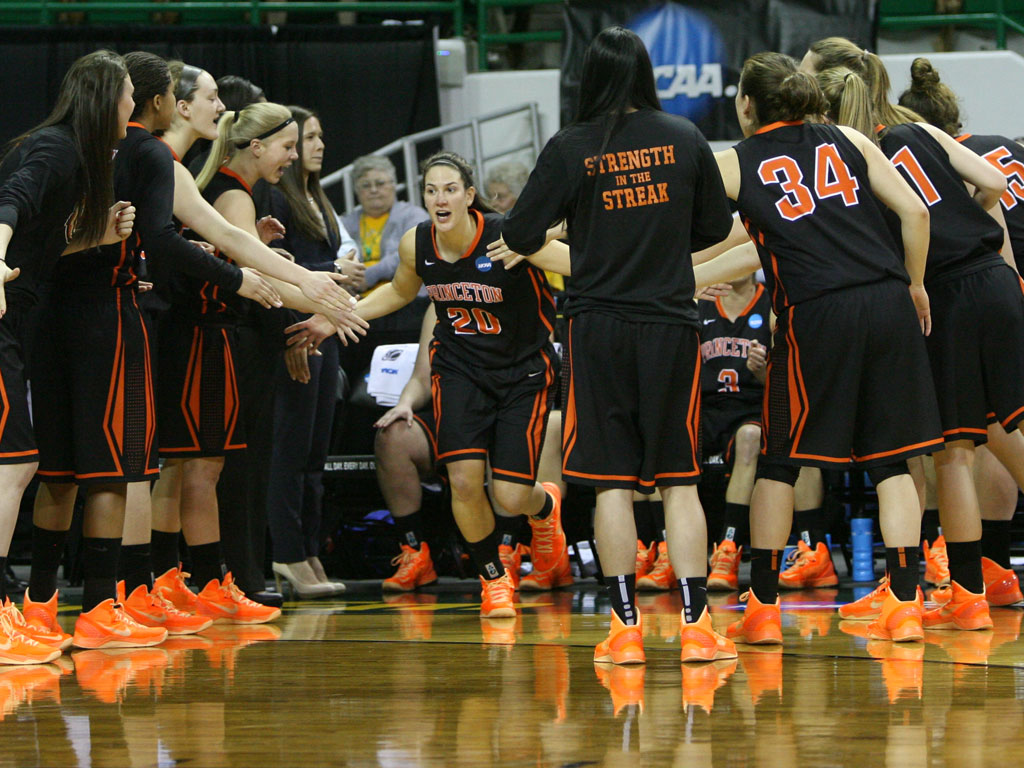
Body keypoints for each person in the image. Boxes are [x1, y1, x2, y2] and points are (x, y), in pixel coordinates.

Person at [500, 26, 738, 665]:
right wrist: (659, 236)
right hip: (670, 325)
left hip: (596, 328)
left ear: (591, 77)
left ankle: (625, 629)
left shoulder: (570, 145)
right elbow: (716, 226)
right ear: (645, 73)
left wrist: (586, 231)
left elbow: (518, 233)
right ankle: (697, 627)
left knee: (609, 483)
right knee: (679, 479)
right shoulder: (685, 136)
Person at [692, 51, 942, 644]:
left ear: (747, 104)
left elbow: (684, 227)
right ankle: (905, 603)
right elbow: (914, 210)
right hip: (887, 301)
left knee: (781, 459)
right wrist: (915, 283)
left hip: (818, 312)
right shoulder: (848, 139)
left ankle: (762, 606)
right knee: (891, 459)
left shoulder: (734, 161)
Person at [811, 51, 1023, 631]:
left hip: (944, 294)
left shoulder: (848, 164)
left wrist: (917, 275)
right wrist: (966, 220)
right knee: (1011, 428)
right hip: (996, 279)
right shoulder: (918, 130)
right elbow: (995, 182)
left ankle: (968, 596)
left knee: (953, 454)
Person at [354, 151, 571, 618]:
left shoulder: (507, 236)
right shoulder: (417, 243)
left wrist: (550, 233)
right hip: (459, 372)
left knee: (511, 495)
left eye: (450, 189)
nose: (440, 199)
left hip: (522, 373)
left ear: (469, 195)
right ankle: (494, 579)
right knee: (464, 483)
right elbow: (399, 291)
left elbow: (581, 258)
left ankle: (545, 510)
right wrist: (341, 313)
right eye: (431, 190)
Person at [0, 50, 166, 655]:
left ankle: (28, 609)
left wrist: (96, 235)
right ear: (105, 100)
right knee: (20, 466)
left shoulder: (78, 156)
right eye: (128, 97)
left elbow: (41, 250)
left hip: (27, 323)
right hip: (20, 319)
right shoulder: (58, 148)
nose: (133, 108)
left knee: (28, 466)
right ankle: (31, 613)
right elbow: (12, 200)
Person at [896, 57, 1024, 606]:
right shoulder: (1005, 146)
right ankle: (992, 572)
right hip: (1002, 287)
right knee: (1002, 429)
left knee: (963, 444)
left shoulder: (924, 155)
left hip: (970, 288)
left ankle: (978, 574)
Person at [266, 105, 354, 598]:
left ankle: (310, 550)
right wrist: (292, 336)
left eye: (319, 136)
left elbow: (325, 262)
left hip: (327, 329)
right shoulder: (277, 197)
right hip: (297, 330)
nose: (317, 146)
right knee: (291, 452)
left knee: (316, 455)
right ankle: (287, 553)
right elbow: (278, 271)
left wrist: (344, 276)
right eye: (308, 138)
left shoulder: (316, 196)